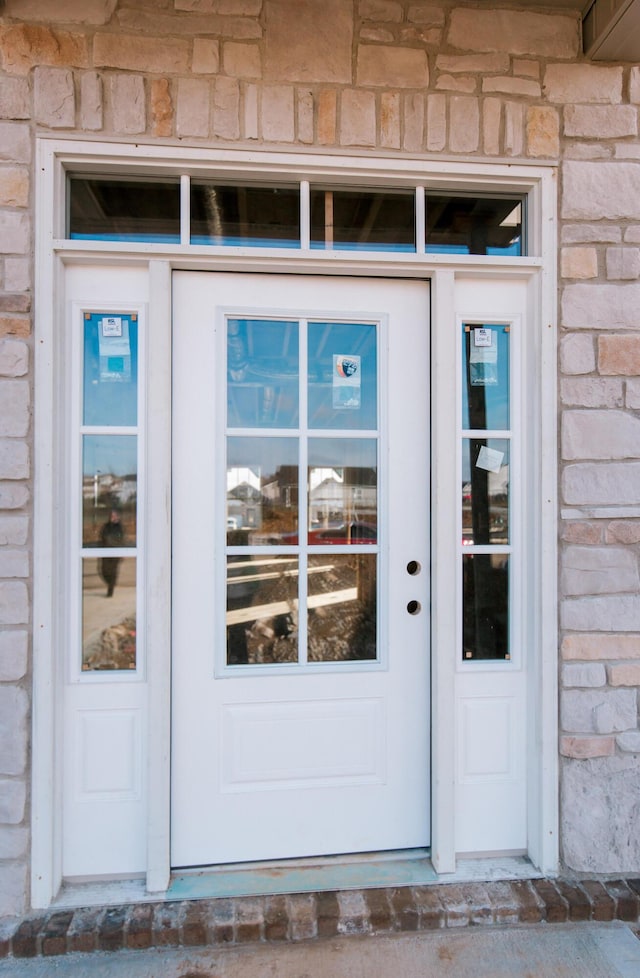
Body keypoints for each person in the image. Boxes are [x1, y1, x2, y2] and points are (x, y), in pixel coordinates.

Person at [99, 509, 124, 597]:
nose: (112, 518)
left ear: (117, 517)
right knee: (103, 571)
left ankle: (110, 590)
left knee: (113, 572)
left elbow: (121, 540)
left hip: (115, 552)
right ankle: (111, 582)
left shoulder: (119, 527)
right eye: (111, 516)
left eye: (114, 516)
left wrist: (121, 552)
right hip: (105, 552)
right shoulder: (106, 526)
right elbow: (102, 537)